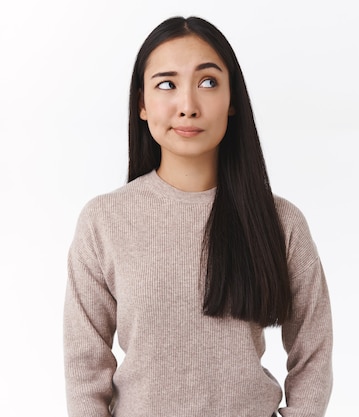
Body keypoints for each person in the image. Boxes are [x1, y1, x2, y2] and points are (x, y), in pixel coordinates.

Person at [63, 16, 332, 417]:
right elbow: (85, 368)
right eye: (166, 84)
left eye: (208, 83)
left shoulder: (281, 222)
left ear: (232, 99)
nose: (188, 106)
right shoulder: (104, 222)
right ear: (142, 102)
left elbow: (313, 352)